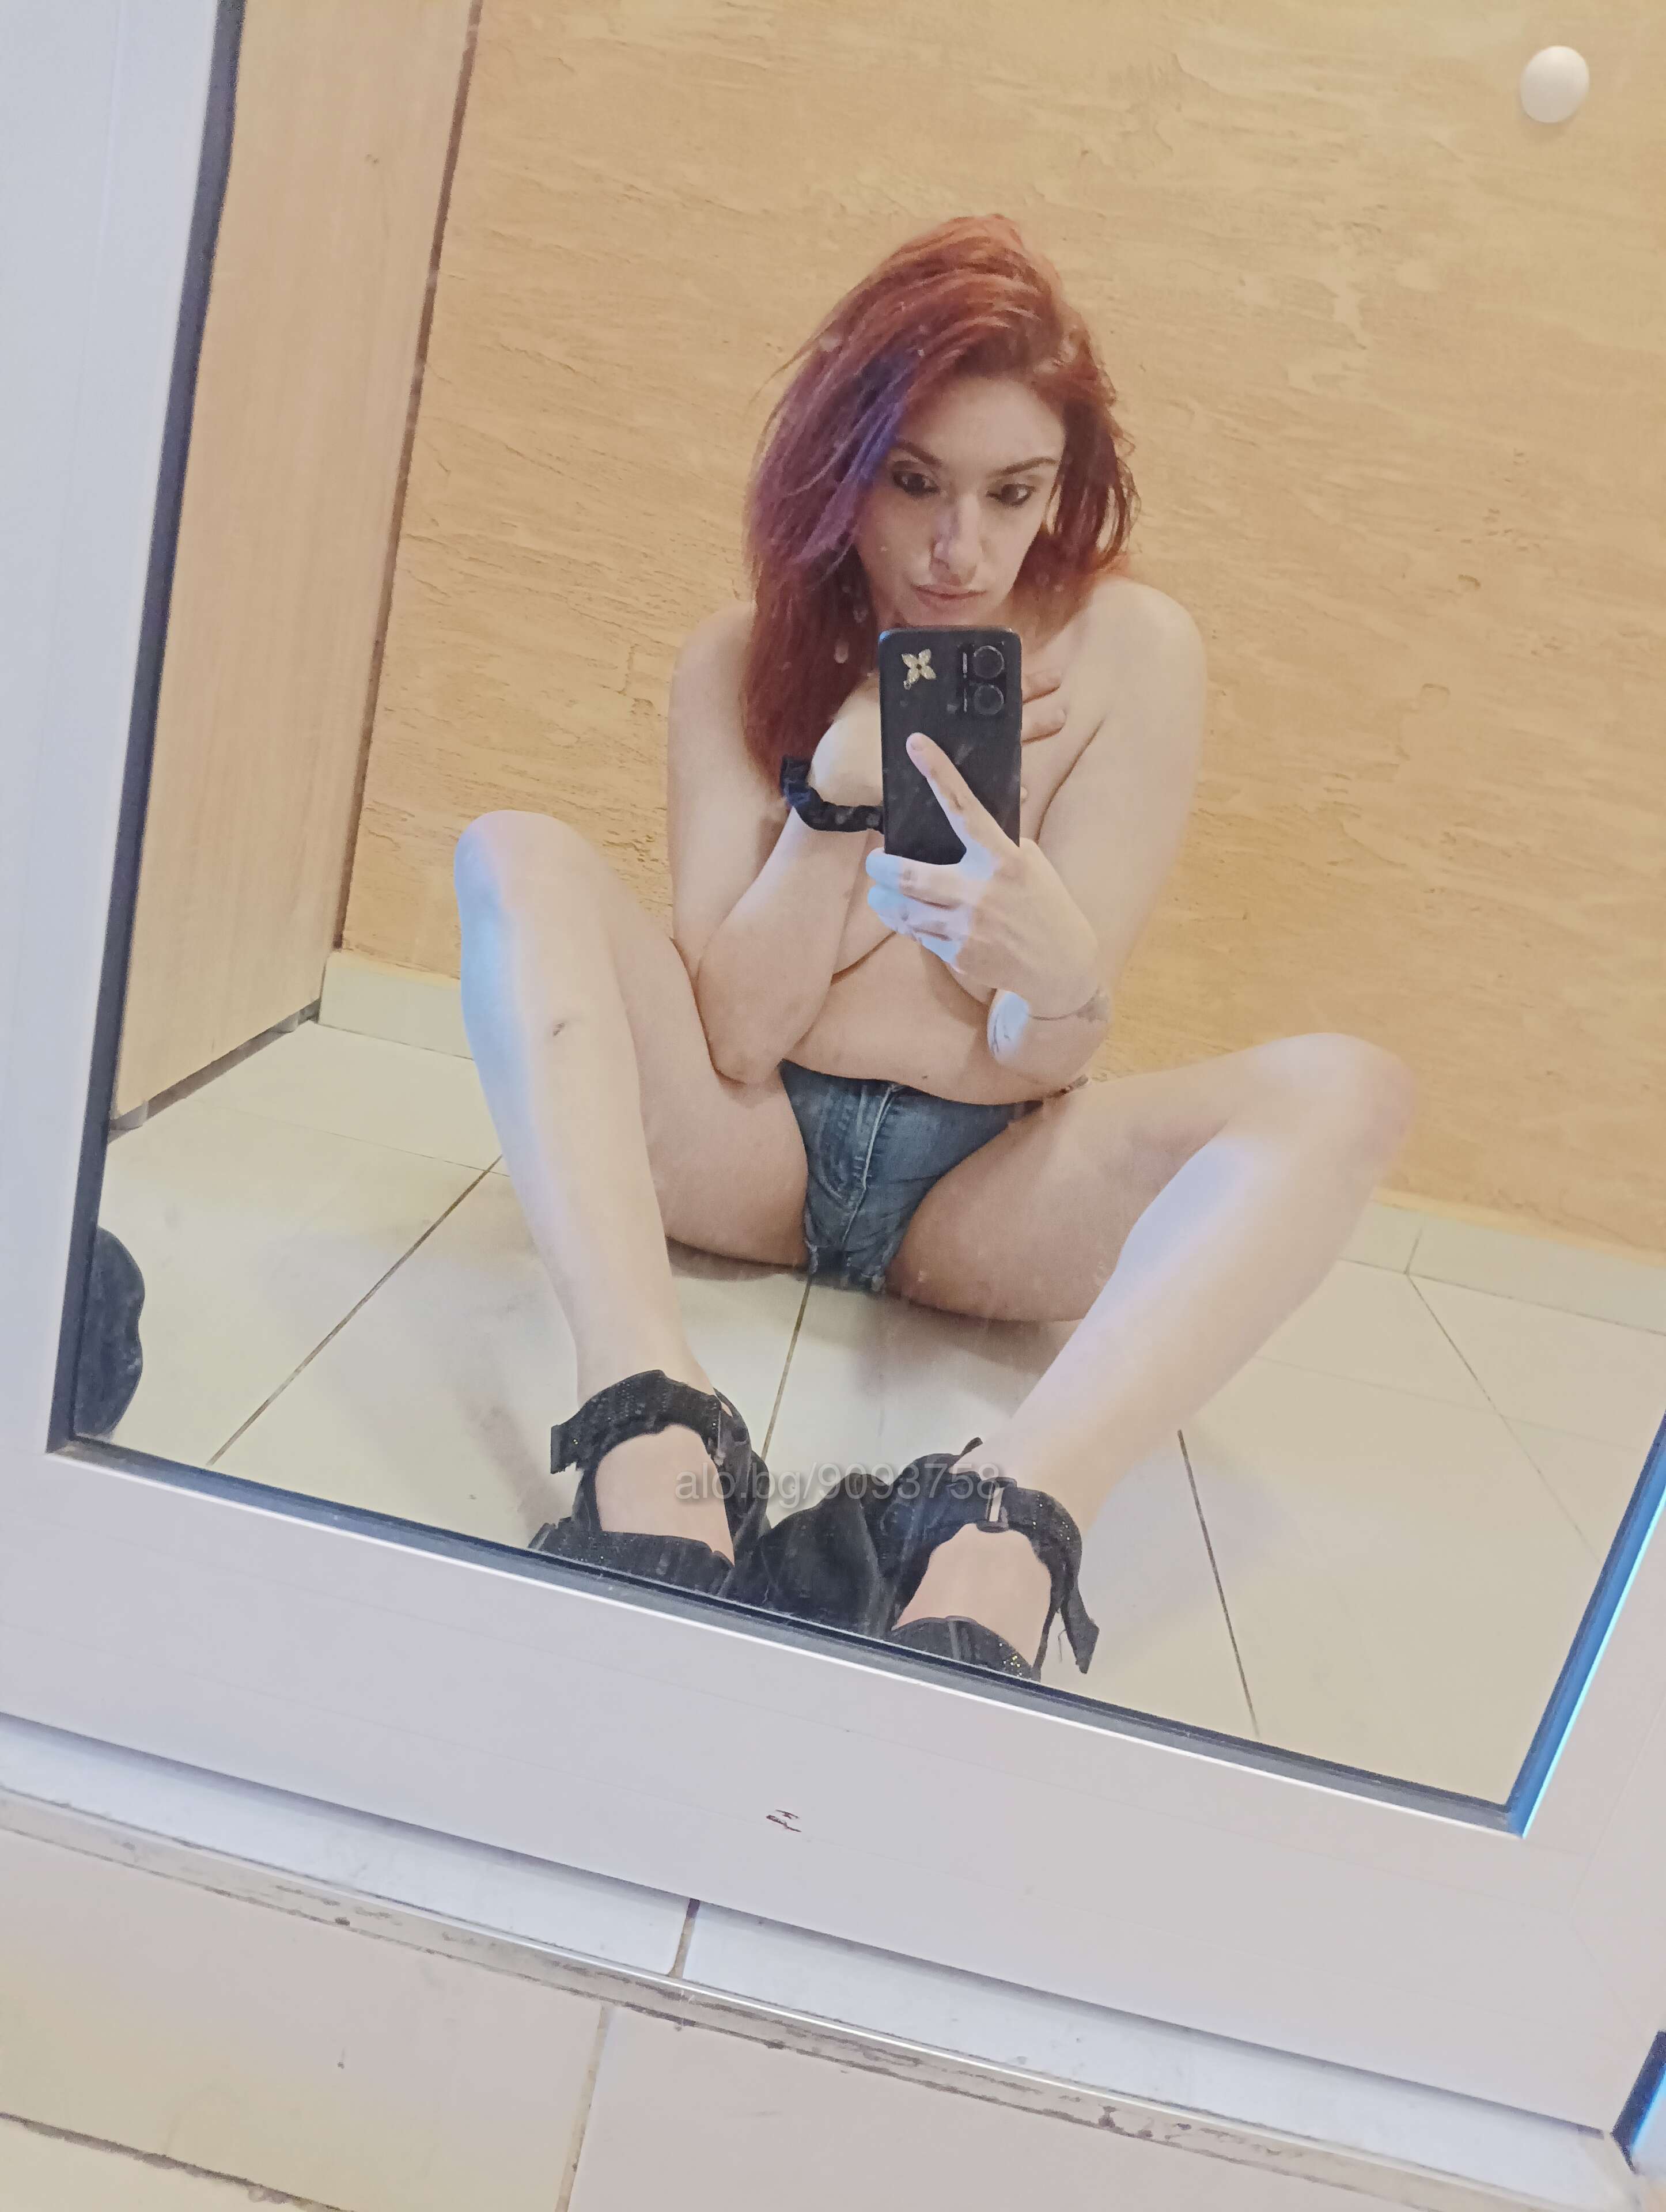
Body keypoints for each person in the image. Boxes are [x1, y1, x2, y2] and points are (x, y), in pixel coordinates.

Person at [453, 214, 1414, 1681]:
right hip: (750, 1153)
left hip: (985, 1197)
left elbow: (1041, 1055)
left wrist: (1058, 970)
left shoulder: (1133, 655)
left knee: (1350, 1088)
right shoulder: (739, 659)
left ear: (1061, 488)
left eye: (1011, 493)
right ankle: (648, 1411)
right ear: (839, 472)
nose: (961, 550)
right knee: (512, 854)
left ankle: (1009, 1520)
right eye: (913, 484)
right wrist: (837, 800)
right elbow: (734, 1039)